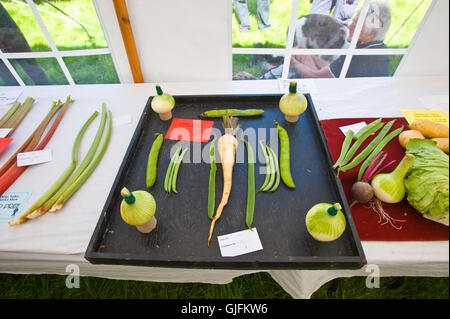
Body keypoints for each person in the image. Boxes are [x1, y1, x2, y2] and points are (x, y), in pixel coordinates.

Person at [289, 1, 392, 78]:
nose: (349, 27)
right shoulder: (377, 48)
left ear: (371, 35)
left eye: (355, 25)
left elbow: (317, 77)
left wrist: (294, 62)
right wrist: (308, 55)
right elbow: (336, 69)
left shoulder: (360, 56)